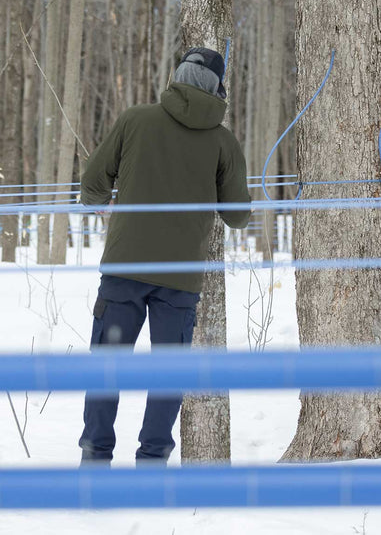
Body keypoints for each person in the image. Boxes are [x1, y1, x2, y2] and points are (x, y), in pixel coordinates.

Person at [76, 46, 251, 465]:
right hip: (180, 279)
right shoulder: (224, 141)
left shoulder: (136, 120)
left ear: (177, 77)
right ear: (218, 88)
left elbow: (92, 185)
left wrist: (104, 201)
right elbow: (239, 216)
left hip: (125, 268)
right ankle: (152, 463)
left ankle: (95, 459)